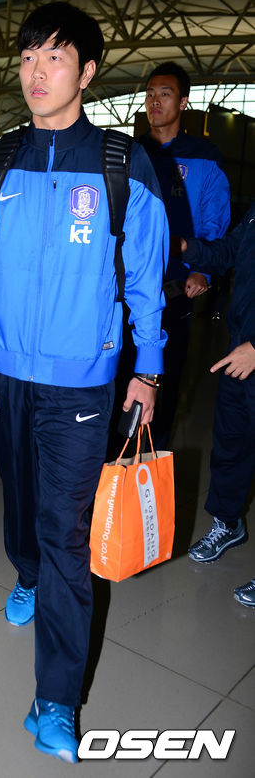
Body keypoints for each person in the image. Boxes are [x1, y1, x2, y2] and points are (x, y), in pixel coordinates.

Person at [0, 2, 168, 763]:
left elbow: (146, 279)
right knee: (21, 499)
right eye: (27, 58)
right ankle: (24, 571)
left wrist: (149, 368)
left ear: (86, 73)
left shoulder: (122, 164)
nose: (36, 72)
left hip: (82, 384)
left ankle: (56, 699)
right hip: (1, 372)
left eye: (54, 58)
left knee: (64, 532)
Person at [137, 61, 231, 448]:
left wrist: (201, 272)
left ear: (184, 102)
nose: (155, 101)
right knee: (118, 379)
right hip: (125, 287)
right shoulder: (130, 152)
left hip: (173, 289)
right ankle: (110, 465)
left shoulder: (204, 157)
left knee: (163, 381)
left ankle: (150, 458)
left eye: (166, 94)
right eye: (150, 94)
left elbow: (215, 223)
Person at [182, 204, 255, 608]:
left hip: (252, 351)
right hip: (238, 352)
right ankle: (228, 524)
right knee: (230, 444)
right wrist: (185, 247)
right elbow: (228, 252)